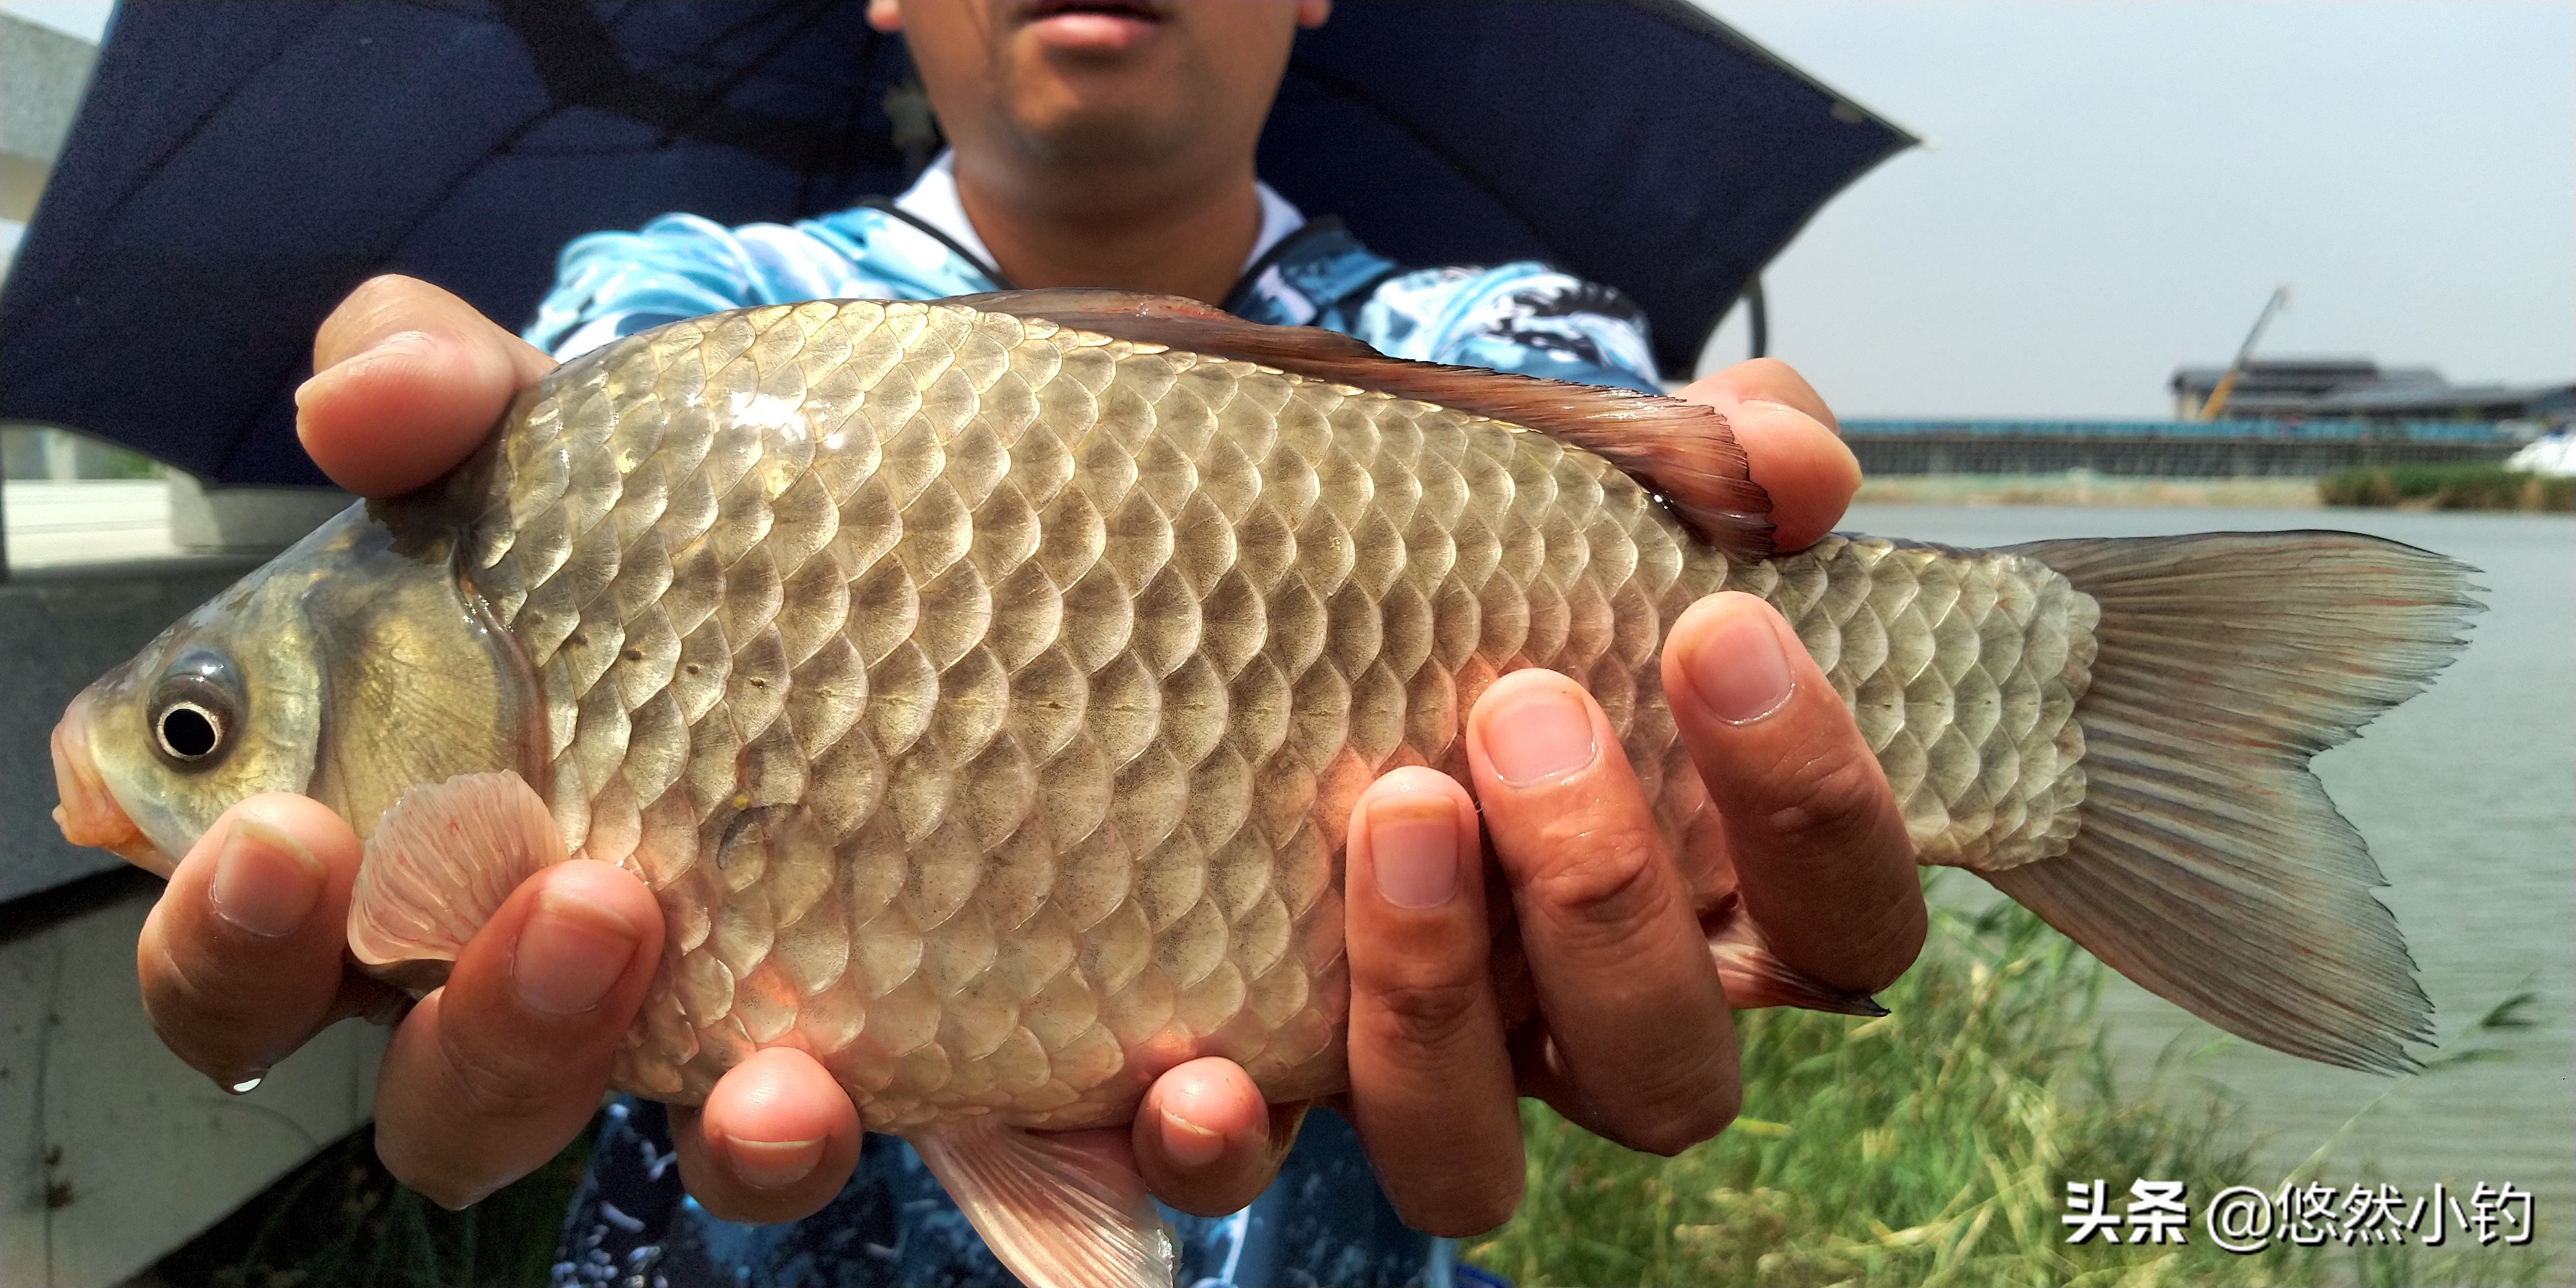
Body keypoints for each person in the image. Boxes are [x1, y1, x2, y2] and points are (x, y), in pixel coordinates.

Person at [131, 2, 1926, 1284]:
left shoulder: (1503, 342)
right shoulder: (650, 341)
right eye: (197, 734)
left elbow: (1668, 457)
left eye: (197, 732)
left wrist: (1768, 714)